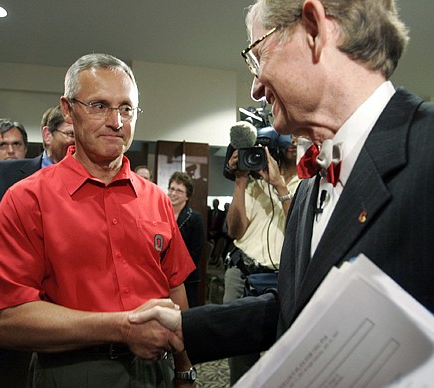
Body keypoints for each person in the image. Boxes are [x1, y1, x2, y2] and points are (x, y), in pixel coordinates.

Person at [129, 0, 434, 374]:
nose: (255, 87)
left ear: (315, 30)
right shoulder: (307, 190)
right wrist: (186, 326)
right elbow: (296, 307)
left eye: (257, 57)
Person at [0, 53, 195, 388]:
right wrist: (121, 327)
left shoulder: (156, 199)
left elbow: (175, 290)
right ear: (67, 110)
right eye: (99, 105)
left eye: (126, 108)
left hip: (154, 369)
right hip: (71, 370)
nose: (116, 121)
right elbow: (4, 322)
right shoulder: (27, 199)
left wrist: (183, 369)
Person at [0, 105, 74, 387]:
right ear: (47, 136)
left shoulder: (90, 184)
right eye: (70, 134)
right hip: (2, 320)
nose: (76, 141)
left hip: (63, 325)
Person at [222, 130, 298, 385]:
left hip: (282, 282)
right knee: (239, 355)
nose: (293, 142)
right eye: (288, 137)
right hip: (242, 275)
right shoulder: (255, 183)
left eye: (298, 137)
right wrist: (240, 181)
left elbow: (298, 232)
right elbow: (234, 231)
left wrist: (280, 187)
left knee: (286, 357)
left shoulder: (310, 185)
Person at [168, 172, 206, 308]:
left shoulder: (195, 218)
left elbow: (196, 252)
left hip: (188, 279)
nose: (173, 193)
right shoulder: (160, 214)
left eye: (179, 190)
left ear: (187, 196)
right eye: (171, 189)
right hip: (163, 278)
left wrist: (179, 274)